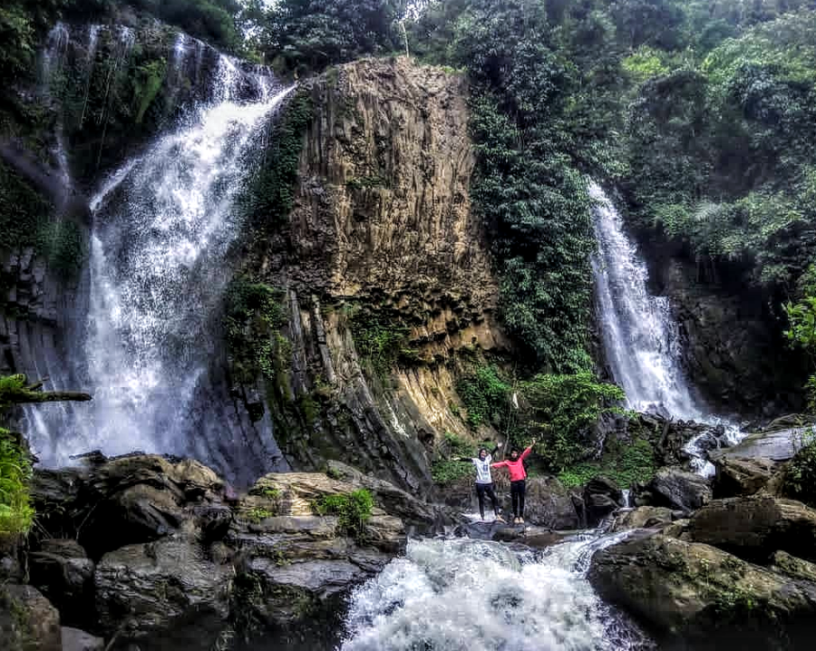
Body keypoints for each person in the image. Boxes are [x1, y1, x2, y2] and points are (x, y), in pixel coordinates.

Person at [456, 443, 505, 522]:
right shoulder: (476, 460)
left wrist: (497, 447)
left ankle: (497, 515)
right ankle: (482, 517)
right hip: (479, 484)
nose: (483, 454)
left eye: (485, 453)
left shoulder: (488, 459)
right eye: (482, 452)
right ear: (480, 453)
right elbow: (468, 459)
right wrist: (459, 458)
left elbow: (492, 452)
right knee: (481, 500)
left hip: (488, 483)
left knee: (494, 498)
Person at [491, 440, 535, 524]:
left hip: (521, 481)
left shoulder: (520, 459)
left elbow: (526, 452)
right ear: (511, 454)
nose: (514, 454)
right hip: (514, 483)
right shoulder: (508, 462)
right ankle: (516, 517)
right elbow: (500, 464)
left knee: (521, 499)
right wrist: (491, 465)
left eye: (515, 453)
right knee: (514, 499)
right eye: (513, 453)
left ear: (517, 454)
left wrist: (532, 444)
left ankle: (521, 516)